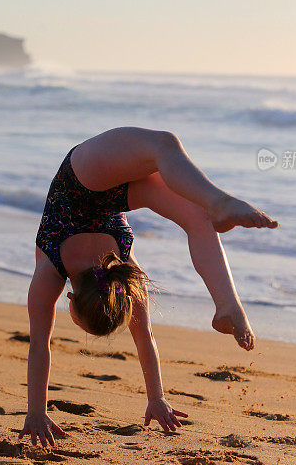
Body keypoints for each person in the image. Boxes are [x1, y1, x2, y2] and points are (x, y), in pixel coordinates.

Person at [18, 127, 278, 447]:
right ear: (73, 298)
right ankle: (227, 305)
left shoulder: (95, 275)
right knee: (193, 211)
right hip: (105, 190)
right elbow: (39, 347)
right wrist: (155, 398)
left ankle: (219, 203)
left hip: (82, 179)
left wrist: (37, 412)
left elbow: (45, 346)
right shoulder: (110, 275)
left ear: (69, 298)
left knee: (164, 146)